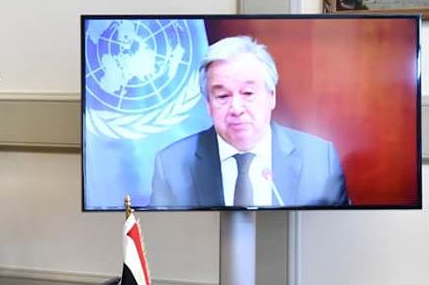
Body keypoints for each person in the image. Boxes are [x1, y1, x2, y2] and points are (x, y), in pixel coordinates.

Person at [149, 36, 349, 208]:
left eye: (248, 93)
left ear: (271, 96)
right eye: (222, 96)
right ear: (208, 105)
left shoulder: (320, 160)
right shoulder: (171, 164)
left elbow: (337, 234)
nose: (236, 109)